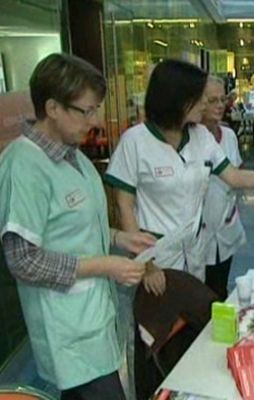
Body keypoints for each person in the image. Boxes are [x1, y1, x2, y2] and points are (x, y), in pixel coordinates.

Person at [0, 53, 155, 400]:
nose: (96, 120)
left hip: (94, 320)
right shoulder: (24, 166)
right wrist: (107, 265)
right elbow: (23, 260)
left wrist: (120, 237)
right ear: (53, 108)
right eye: (86, 111)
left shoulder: (75, 158)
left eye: (97, 108)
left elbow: (74, 228)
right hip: (66, 330)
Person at [105, 59, 254, 298]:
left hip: (194, 252)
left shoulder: (200, 136)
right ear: (176, 98)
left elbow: (233, 176)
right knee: (159, 328)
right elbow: (124, 205)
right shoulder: (135, 141)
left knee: (195, 320)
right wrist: (146, 265)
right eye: (199, 96)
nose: (205, 102)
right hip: (157, 258)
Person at [196, 76, 245, 300]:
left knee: (220, 291)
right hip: (196, 235)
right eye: (212, 99)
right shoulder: (187, 140)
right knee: (197, 298)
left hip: (225, 230)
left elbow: (237, 177)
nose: (219, 105)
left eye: (223, 99)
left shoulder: (230, 137)